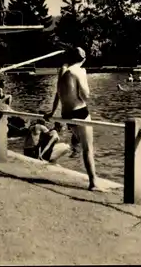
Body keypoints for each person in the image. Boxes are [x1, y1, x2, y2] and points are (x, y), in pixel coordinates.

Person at [45, 46, 98, 191]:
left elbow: (58, 94)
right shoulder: (80, 71)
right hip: (80, 111)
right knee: (88, 148)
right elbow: (85, 95)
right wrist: (86, 95)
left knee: (80, 143)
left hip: (66, 115)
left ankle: (86, 172)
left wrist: (52, 112)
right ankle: (93, 183)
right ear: (84, 59)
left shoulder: (63, 72)